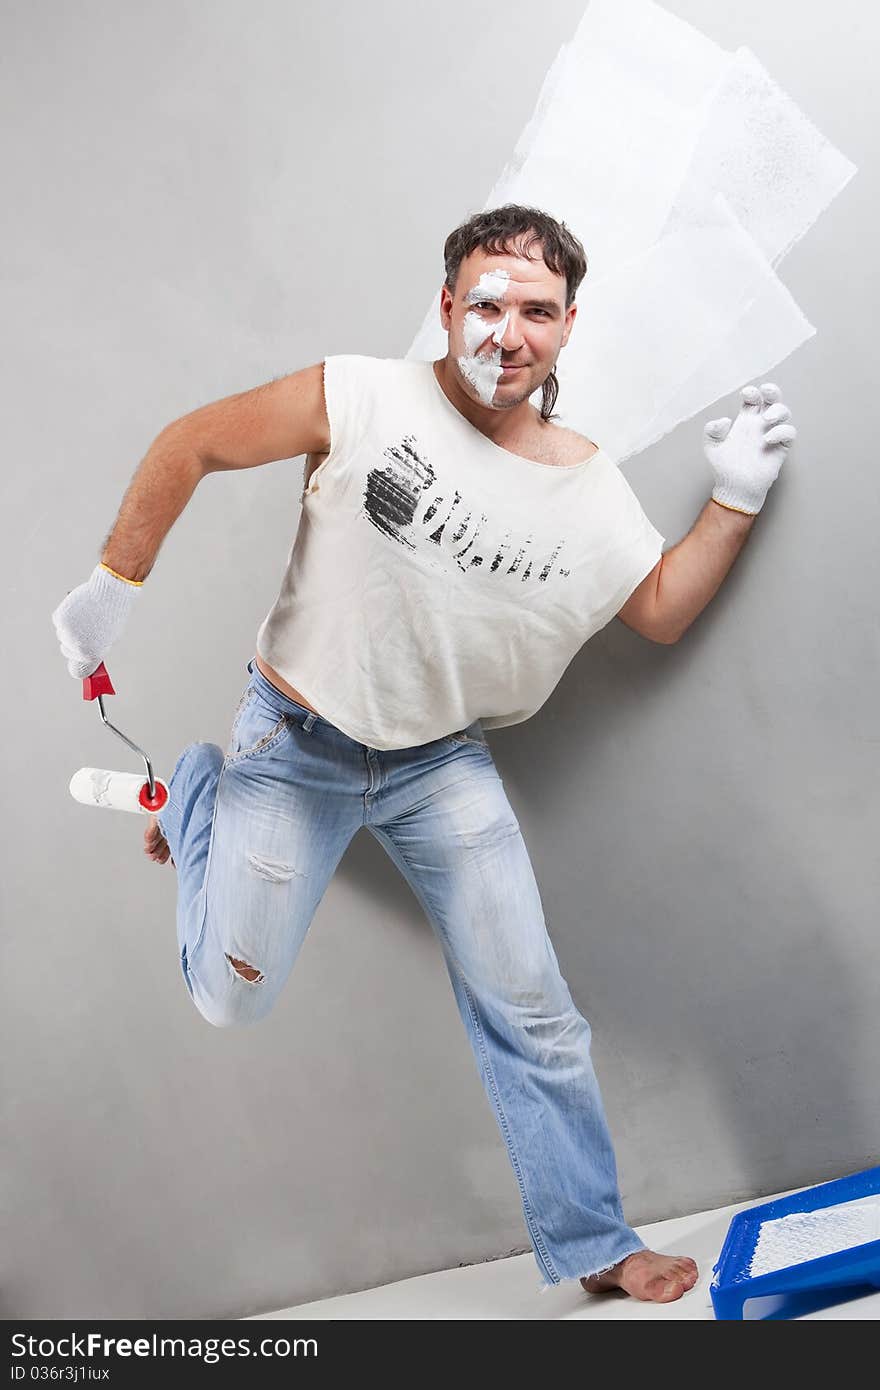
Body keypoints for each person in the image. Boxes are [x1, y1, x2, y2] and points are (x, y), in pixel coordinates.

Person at [51, 204, 796, 1303]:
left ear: (566, 326)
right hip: (291, 745)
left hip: (438, 765)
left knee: (532, 1008)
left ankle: (595, 1243)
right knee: (230, 999)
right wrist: (114, 583)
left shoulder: (582, 485)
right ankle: (200, 790)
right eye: (485, 303)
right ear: (447, 306)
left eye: (534, 312)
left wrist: (732, 498)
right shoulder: (363, 395)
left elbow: (657, 609)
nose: (507, 332)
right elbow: (194, 441)